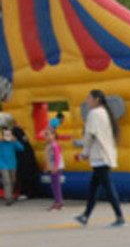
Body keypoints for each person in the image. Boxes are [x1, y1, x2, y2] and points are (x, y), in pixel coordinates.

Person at [74, 89, 125, 227]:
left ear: (96, 99)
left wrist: (84, 153)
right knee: (94, 188)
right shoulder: (104, 112)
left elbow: (89, 135)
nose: (87, 101)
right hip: (103, 154)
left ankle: (120, 217)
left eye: (89, 98)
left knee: (108, 187)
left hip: (99, 156)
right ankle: (85, 216)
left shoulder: (94, 114)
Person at [43, 119, 65, 211]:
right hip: (52, 167)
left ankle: (58, 202)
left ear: (54, 135)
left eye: (49, 134)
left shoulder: (54, 145)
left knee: (56, 185)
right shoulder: (49, 145)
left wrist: (55, 166)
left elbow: (57, 157)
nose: (47, 136)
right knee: (54, 184)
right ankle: (57, 201)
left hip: (56, 167)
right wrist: (46, 166)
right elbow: (47, 157)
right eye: (46, 135)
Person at [0, 125, 24, 205]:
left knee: (12, 181)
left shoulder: (12, 143)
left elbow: (21, 148)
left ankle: (11, 194)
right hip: (2, 164)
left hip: (12, 164)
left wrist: (15, 140)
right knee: (7, 181)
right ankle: (9, 199)